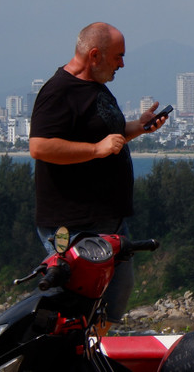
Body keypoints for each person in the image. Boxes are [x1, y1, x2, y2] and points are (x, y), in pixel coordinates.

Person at [29, 22, 167, 331]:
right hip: (73, 224)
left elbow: (110, 137)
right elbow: (39, 146)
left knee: (116, 296)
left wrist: (141, 126)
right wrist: (94, 150)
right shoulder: (58, 91)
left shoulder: (96, 89)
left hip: (107, 221)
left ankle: (90, 353)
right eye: (118, 56)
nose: (122, 64)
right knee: (73, 304)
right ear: (94, 55)